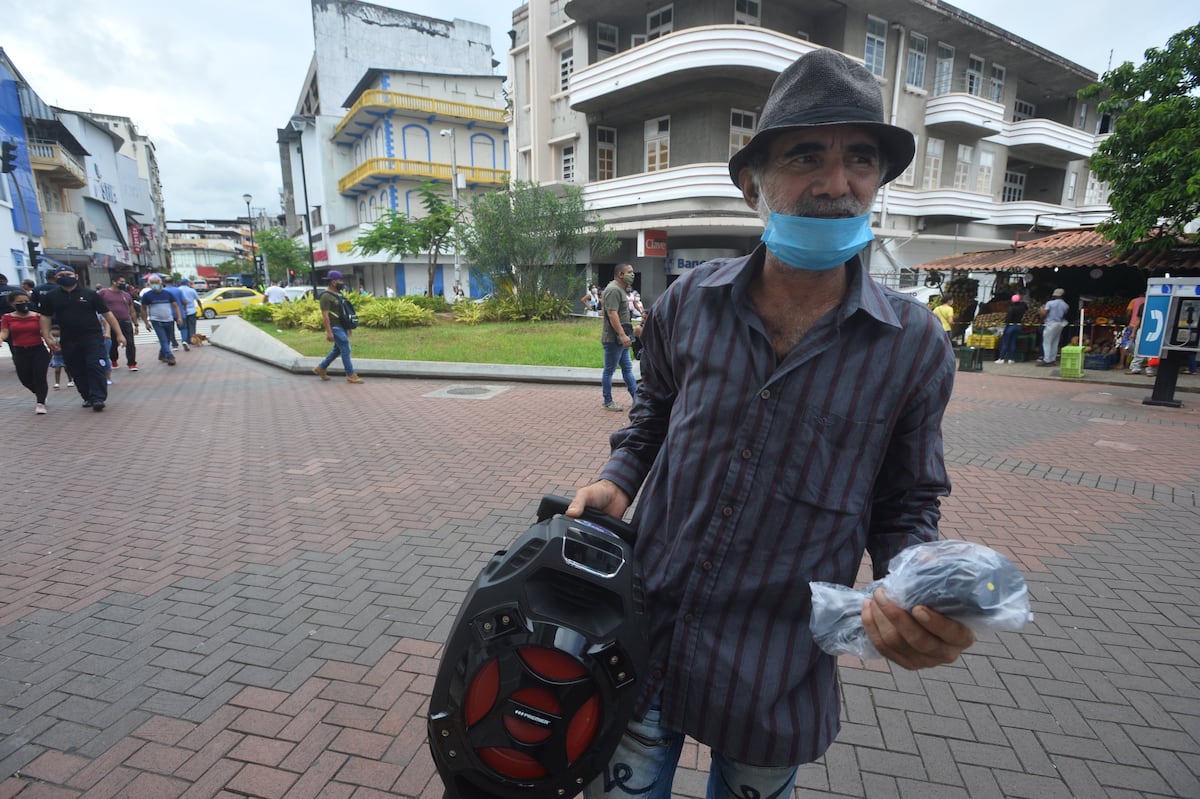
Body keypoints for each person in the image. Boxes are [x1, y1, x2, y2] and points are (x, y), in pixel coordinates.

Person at [566, 49, 974, 799]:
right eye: (806, 155)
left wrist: (913, 592)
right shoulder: (690, 303)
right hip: (647, 629)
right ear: (754, 182)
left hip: (775, 659)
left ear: (878, 181)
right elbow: (654, 408)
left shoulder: (912, 346)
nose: (835, 181)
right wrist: (618, 479)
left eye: (860, 158)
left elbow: (907, 501)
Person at [38, 267, 125, 411]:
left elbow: (107, 314)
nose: (65, 277)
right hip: (68, 339)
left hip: (93, 337)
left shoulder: (90, 294)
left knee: (95, 366)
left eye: (68, 274)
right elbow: (45, 317)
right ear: (55, 278)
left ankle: (98, 398)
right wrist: (47, 336)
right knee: (77, 369)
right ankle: (87, 396)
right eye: (61, 275)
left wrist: (119, 334)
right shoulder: (51, 297)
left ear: (76, 276)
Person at [0, 290, 51, 414]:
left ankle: (41, 402)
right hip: (20, 351)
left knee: (39, 376)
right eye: (20, 302)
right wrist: (1, 338)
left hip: (38, 350)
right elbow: (5, 332)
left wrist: (52, 342)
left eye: (26, 301)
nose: (24, 304)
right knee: (25, 378)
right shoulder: (7, 317)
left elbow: (45, 332)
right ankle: (39, 393)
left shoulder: (37, 316)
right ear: (12, 304)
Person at [312, 270, 363, 383]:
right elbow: (325, 316)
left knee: (337, 350)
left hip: (342, 326)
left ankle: (321, 368)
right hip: (335, 327)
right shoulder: (325, 296)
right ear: (333, 282)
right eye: (340, 280)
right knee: (346, 348)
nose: (342, 282)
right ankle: (350, 374)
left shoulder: (339, 295)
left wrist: (348, 327)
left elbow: (344, 312)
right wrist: (329, 332)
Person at [600, 263, 638, 412]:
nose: (633, 274)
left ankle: (637, 398)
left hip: (621, 338)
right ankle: (607, 401)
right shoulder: (614, 289)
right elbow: (612, 313)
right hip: (613, 339)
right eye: (630, 272)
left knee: (627, 368)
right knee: (609, 370)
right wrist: (622, 335)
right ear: (620, 274)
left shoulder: (621, 289)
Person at [140, 274, 183, 366]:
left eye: (156, 282)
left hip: (169, 320)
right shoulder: (147, 295)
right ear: (149, 284)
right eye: (152, 283)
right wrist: (146, 322)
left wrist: (179, 317)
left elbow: (175, 305)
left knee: (167, 340)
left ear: (160, 283)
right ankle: (170, 356)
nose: (154, 284)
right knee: (163, 339)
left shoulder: (167, 294)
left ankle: (161, 354)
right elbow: (143, 309)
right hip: (156, 321)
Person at [98, 276, 139, 371]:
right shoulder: (103, 293)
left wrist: (136, 324)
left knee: (130, 343)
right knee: (113, 344)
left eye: (124, 282)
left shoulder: (127, 295)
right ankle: (114, 360)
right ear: (114, 282)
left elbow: (132, 310)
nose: (123, 284)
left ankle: (132, 363)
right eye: (121, 282)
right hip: (110, 323)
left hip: (125, 322)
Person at [1038, 288, 1070, 366]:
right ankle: (1052, 359)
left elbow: (1044, 313)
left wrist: (1041, 310)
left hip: (1051, 324)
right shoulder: (1066, 305)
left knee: (1047, 342)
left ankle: (1047, 360)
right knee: (1055, 342)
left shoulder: (1050, 303)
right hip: (1060, 324)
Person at [995, 293, 1028, 364]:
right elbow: (1025, 307)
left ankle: (1001, 358)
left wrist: (1005, 323)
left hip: (1010, 326)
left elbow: (1008, 318)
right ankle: (1011, 359)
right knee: (1013, 342)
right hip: (1018, 326)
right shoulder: (1022, 308)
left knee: (1005, 342)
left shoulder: (1011, 308)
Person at [1124, 294, 1149, 374]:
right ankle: (1135, 368)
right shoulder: (1143, 306)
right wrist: (1133, 332)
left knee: (1151, 350)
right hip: (1141, 329)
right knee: (1138, 349)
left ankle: (1150, 368)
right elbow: (1138, 319)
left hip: (1152, 329)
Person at [161, 276, 187, 350]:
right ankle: (184, 340)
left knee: (170, 330)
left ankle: (174, 345)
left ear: (164, 283)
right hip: (179, 312)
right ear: (173, 282)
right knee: (183, 328)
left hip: (168, 313)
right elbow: (184, 301)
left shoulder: (163, 291)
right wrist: (185, 309)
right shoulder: (178, 290)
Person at [177, 278, 201, 348]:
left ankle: (186, 340)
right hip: (192, 311)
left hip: (182, 311)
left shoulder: (178, 290)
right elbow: (198, 300)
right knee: (192, 326)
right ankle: (192, 340)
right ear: (187, 283)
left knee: (184, 326)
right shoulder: (192, 290)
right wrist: (201, 308)